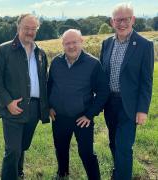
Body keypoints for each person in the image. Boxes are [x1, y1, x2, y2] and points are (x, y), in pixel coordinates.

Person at [0, 14, 50, 180]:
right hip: (14, 109)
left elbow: (44, 80)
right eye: (26, 28)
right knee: (13, 149)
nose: (29, 32)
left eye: (33, 29)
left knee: (22, 145)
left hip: (35, 108)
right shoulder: (3, 50)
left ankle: (19, 173)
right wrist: (7, 102)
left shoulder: (40, 53)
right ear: (18, 28)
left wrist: (46, 106)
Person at [100, 3, 154, 180]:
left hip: (129, 105)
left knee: (123, 146)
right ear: (112, 22)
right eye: (118, 20)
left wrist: (142, 109)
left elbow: (147, 81)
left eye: (126, 19)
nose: (122, 23)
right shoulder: (106, 43)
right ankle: (118, 171)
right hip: (110, 104)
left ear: (133, 20)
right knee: (114, 143)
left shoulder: (145, 45)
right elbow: (102, 74)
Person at [48, 29, 109, 180]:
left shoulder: (93, 63)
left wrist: (89, 114)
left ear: (81, 41)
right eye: (67, 43)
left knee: (86, 153)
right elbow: (49, 86)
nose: (71, 46)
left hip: (82, 118)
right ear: (62, 44)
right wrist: (48, 106)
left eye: (74, 42)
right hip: (59, 117)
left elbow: (103, 92)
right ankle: (62, 174)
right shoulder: (56, 62)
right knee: (61, 148)